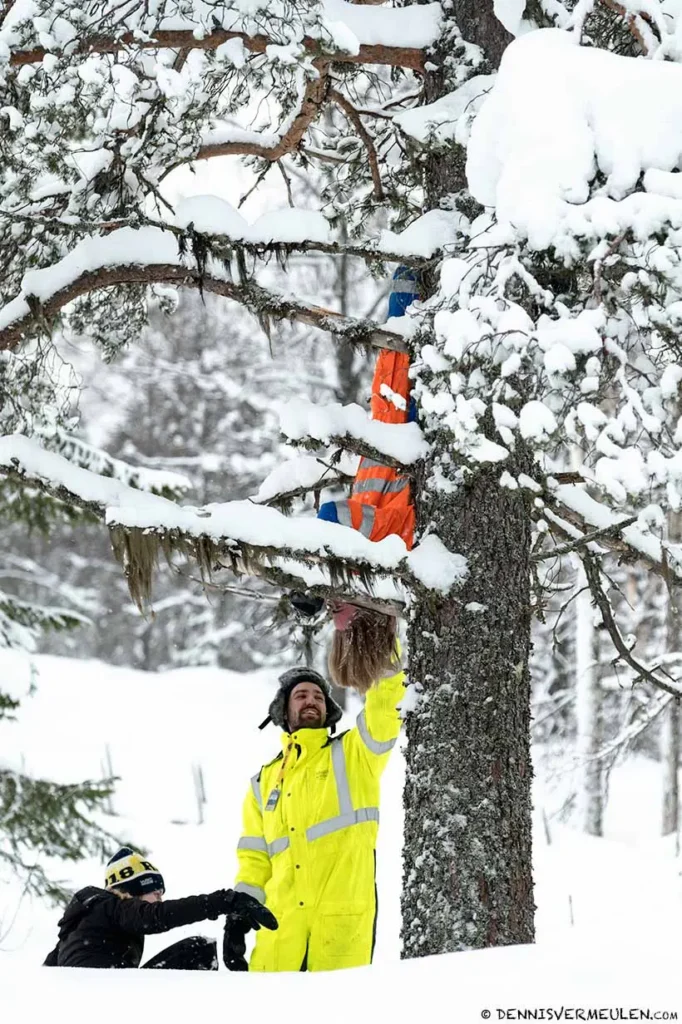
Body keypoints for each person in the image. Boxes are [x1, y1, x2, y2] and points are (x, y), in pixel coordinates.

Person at [225, 637, 405, 972]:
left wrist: (378, 639)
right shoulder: (262, 782)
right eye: (302, 695)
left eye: (319, 696)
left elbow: (384, 705)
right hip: (279, 936)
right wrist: (240, 910)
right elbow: (254, 858)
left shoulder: (355, 755)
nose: (312, 701)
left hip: (340, 929)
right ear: (284, 710)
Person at [44, 846, 277, 969]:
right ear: (131, 890)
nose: (160, 900)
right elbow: (158, 917)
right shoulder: (112, 907)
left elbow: (47, 972)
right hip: (110, 1003)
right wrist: (225, 900)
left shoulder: (83, 923)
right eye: (155, 893)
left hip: (98, 1004)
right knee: (199, 948)